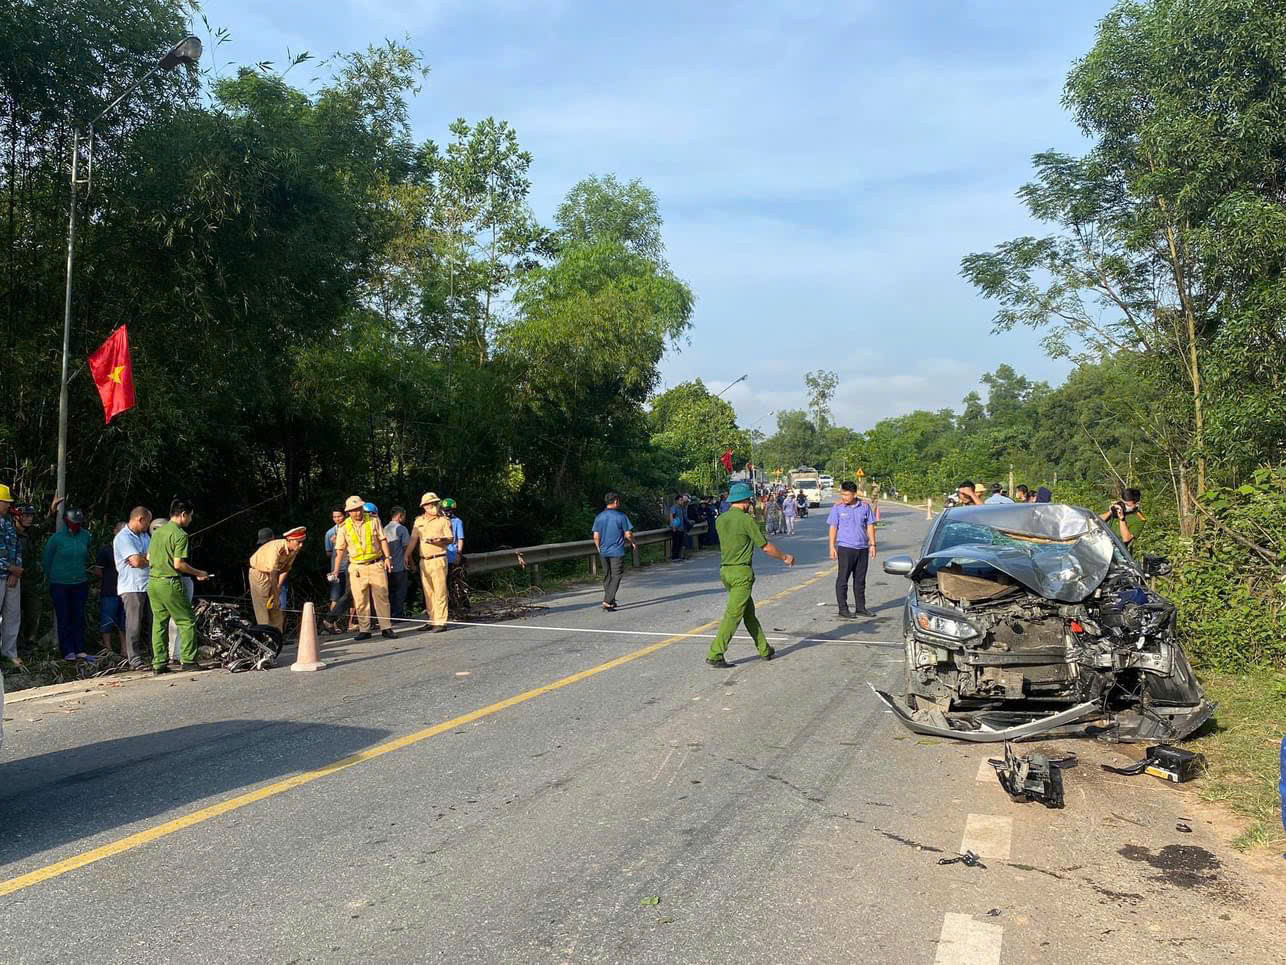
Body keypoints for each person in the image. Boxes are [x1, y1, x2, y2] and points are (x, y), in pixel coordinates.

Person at [705, 481, 794, 668]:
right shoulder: (746, 520)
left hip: (725, 571)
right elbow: (766, 547)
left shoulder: (720, 520)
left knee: (748, 613)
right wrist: (785, 557)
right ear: (746, 501)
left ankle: (764, 649)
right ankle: (715, 653)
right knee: (733, 614)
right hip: (741, 573)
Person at [147, 498, 209, 673]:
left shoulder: (158, 532)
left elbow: (149, 557)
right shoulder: (180, 535)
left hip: (152, 582)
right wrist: (199, 573)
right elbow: (178, 564)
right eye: (190, 516)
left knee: (159, 623)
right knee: (187, 620)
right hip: (170, 582)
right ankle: (188, 660)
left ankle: (159, 663)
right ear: (183, 514)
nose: (190, 520)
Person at [331, 495, 395, 640]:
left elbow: (382, 539)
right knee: (360, 599)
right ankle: (364, 629)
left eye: (359, 509)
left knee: (382, 596)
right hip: (356, 567)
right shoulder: (344, 527)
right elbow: (340, 549)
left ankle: (386, 627)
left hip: (375, 563)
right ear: (348, 512)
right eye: (353, 510)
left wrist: (388, 558)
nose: (358, 513)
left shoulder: (373, 520)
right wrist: (336, 569)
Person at [43, 506, 94, 662]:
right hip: (60, 583)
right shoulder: (56, 539)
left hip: (80, 582)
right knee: (64, 617)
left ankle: (80, 649)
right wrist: (52, 576)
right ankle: (67, 650)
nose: (76, 526)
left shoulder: (86, 536)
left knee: (78, 616)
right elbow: (46, 559)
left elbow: (87, 556)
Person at [828, 482, 877, 618]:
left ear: (854, 494)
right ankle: (843, 609)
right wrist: (832, 546)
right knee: (843, 579)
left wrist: (872, 545)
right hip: (845, 548)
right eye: (842, 494)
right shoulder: (837, 508)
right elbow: (833, 527)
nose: (843, 497)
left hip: (862, 548)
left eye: (846, 494)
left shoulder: (865, 507)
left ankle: (860, 608)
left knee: (860, 580)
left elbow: (870, 526)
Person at [406, 492, 452, 632]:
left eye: (435, 504)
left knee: (440, 591)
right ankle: (432, 619)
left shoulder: (443, 520)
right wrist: (406, 555)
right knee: (428, 592)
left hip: (438, 558)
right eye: (430, 504)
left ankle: (441, 621)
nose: (433, 507)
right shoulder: (419, 521)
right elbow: (413, 539)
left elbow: (450, 539)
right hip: (424, 561)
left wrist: (440, 541)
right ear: (424, 506)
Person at [113, 506, 152, 669]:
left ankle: (154, 655)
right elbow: (136, 561)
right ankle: (134, 659)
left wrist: (144, 558)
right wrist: (145, 558)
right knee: (134, 623)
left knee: (152, 620)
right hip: (131, 586)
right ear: (140, 519)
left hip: (148, 583)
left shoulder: (144, 536)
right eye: (148, 522)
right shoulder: (123, 538)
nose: (149, 526)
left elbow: (153, 555)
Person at [247, 526, 306, 631]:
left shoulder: (293, 550)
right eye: (298, 542)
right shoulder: (276, 548)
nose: (301, 545)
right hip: (260, 574)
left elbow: (285, 570)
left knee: (276, 607)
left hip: (274, 574)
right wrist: (276, 593)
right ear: (290, 540)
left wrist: (278, 587)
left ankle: (278, 635)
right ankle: (266, 635)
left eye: (302, 542)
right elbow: (273, 573)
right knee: (263, 606)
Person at [591, 491, 636, 611]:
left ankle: (611, 602)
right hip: (616, 551)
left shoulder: (599, 517)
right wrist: (633, 542)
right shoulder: (621, 516)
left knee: (607, 576)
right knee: (616, 576)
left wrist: (598, 548)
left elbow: (596, 536)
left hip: (603, 551)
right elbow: (628, 534)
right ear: (616, 501)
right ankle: (607, 600)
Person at [95, 522, 127, 655]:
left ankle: (125, 649)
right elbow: (98, 571)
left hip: (125, 589)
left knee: (124, 621)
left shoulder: (129, 548)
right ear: (114, 531)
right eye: (120, 531)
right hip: (109, 590)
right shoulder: (106, 549)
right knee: (107, 620)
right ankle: (108, 649)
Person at [0, 485, 22, 668]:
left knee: (12, 615)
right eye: (5, 502)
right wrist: (10, 568)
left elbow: (17, 546)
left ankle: (9, 653)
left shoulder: (7, 523)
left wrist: (17, 568)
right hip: (2, 574)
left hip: (12, 577)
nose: (8, 506)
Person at [323, 507, 351, 633]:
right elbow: (328, 552)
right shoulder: (330, 533)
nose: (336, 519)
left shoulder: (350, 528)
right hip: (337, 569)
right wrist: (337, 546)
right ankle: (331, 625)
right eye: (334, 517)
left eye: (339, 516)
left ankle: (351, 623)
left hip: (350, 566)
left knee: (352, 595)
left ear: (344, 515)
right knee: (335, 597)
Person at [383, 506, 411, 619]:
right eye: (404, 516)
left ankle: (390, 613)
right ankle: (398, 614)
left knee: (390, 591)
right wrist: (410, 563)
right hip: (400, 565)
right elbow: (406, 548)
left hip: (388, 566)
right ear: (400, 516)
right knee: (400, 591)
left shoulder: (384, 529)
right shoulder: (401, 529)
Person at [668, 494, 687, 561]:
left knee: (680, 542)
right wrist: (673, 526)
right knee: (675, 542)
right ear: (676, 501)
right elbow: (671, 516)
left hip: (681, 528)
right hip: (676, 528)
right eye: (680, 500)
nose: (682, 501)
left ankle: (678, 556)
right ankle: (674, 556)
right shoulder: (674, 507)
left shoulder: (681, 508)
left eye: (682, 500)